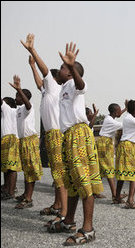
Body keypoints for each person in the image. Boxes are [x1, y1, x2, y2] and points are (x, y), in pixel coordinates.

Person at [21, 33, 69, 230]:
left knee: (60, 175)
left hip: (56, 134)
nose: (46, 78)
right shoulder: (48, 90)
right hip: (50, 134)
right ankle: (58, 205)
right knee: (57, 175)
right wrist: (31, 66)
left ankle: (64, 213)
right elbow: (39, 83)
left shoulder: (55, 87)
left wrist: (33, 51)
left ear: (55, 78)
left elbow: (45, 73)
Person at [57, 42, 104, 245]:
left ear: (70, 73)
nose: (59, 69)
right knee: (73, 182)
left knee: (84, 181)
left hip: (78, 135)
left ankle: (88, 229)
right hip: (68, 136)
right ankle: (68, 221)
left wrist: (73, 66)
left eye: (62, 67)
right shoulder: (62, 88)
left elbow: (81, 85)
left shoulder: (74, 85)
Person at [9, 75, 43, 209]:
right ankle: (25, 194)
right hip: (22, 142)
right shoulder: (18, 110)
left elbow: (27, 103)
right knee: (26, 170)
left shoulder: (28, 107)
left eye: (18, 96)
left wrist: (20, 89)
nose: (16, 98)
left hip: (30, 141)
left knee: (30, 170)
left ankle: (28, 198)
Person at [96, 101, 128, 204]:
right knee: (109, 169)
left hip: (103, 142)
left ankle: (95, 191)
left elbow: (118, 114)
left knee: (102, 168)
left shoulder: (108, 118)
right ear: (114, 112)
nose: (120, 112)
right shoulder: (112, 122)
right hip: (105, 144)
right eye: (119, 111)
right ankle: (115, 196)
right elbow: (125, 125)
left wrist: (125, 108)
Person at [1, 97, 21, 201]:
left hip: (10, 139)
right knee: (6, 167)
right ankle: (7, 188)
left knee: (11, 168)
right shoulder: (13, 112)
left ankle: (11, 192)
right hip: (8, 139)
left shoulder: (7, 109)